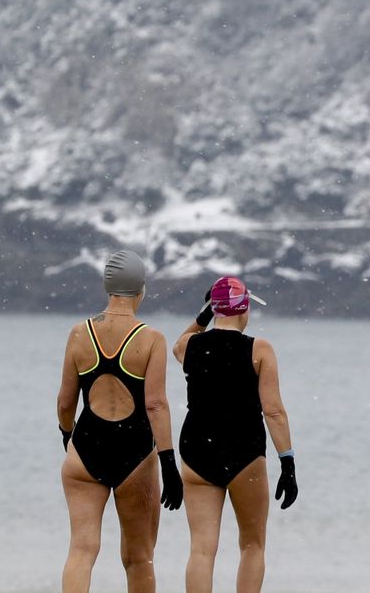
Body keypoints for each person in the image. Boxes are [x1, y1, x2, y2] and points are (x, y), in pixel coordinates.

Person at [55, 249, 181, 593]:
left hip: (85, 448)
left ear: (106, 287)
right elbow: (156, 404)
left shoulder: (80, 333)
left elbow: (66, 401)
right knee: (139, 558)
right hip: (134, 455)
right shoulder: (151, 339)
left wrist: (68, 436)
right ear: (141, 291)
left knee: (81, 550)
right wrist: (169, 463)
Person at [173, 276, 297, 593]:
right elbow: (274, 411)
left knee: (201, 548)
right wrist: (288, 463)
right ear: (244, 310)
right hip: (244, 451)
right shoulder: (260, 349)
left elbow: (178, 344)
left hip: (197, 449)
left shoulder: (191, 346)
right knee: (252, 545)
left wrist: (204, 315)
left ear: (214, 310)